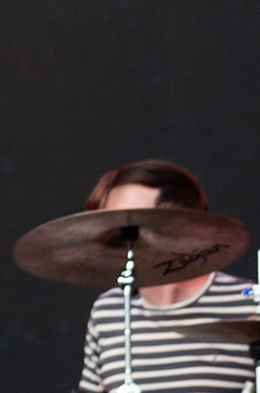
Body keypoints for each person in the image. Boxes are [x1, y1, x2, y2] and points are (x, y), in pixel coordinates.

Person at [77, 160, 257, 393]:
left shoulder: (250, 305)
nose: (118, 235)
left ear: (182, 224)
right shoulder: (109, 311)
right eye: (112, 224)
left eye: (131, 222)